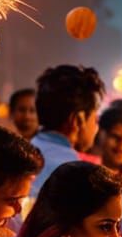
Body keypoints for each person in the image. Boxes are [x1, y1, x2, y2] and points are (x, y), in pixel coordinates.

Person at [28, 64, 105, 204]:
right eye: (95, 119)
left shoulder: (27, 151)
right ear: (77, 120)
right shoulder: (74, 173)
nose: (96, 127)